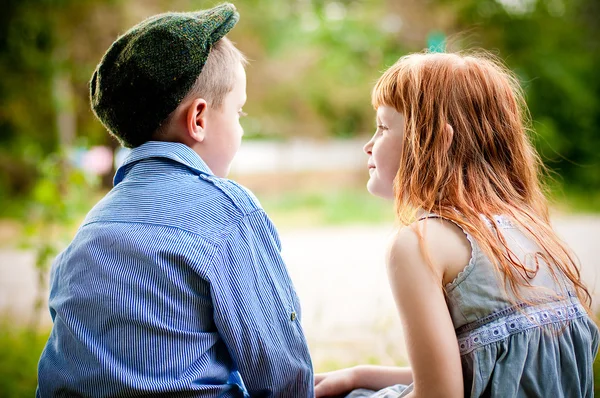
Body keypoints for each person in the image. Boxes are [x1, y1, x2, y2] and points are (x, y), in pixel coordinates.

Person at [37, 3, 314, 397]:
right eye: (239, 112)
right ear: (198, 119)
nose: (239, 128)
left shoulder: (92, 227)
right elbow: (283, 377)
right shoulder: (226, 212)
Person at [314, 51, 599, 397]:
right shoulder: (528, 228)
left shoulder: (421, 243)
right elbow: (481, 368)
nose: (368, 145)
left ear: (436, 141)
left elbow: (440, 395)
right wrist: (359, 374)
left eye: (383, 127)